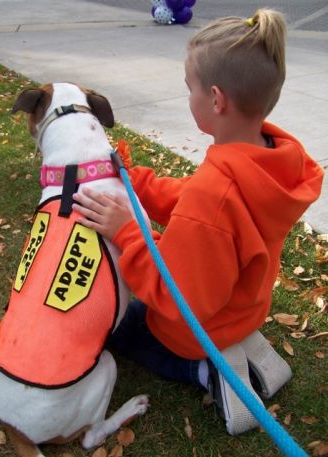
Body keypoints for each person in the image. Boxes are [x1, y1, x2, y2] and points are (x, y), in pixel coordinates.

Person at [72, 8, 324, 435]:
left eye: (189, 88)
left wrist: (126, 231)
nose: (187, 97)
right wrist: (139, 184)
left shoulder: (216, 193)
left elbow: (178, 295)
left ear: (216, 98)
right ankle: (238, 341)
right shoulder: (271, 158)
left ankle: (208, 372)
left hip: (195, 327)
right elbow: (194, 201)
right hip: (242, 304)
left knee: (122, 328)